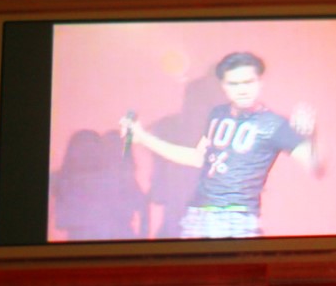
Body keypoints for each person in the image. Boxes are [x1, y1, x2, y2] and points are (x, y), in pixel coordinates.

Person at [121, 52, 322, 238]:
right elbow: (197, 157)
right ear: (224, 86)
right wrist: (143, 138)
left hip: (236, 219)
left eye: (248, 82)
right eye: (233, 84)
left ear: (260, 82)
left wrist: (310, 136)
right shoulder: (218, 114)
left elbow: (315, 166)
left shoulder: (274, 124)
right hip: (197, 216)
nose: (242, 90)